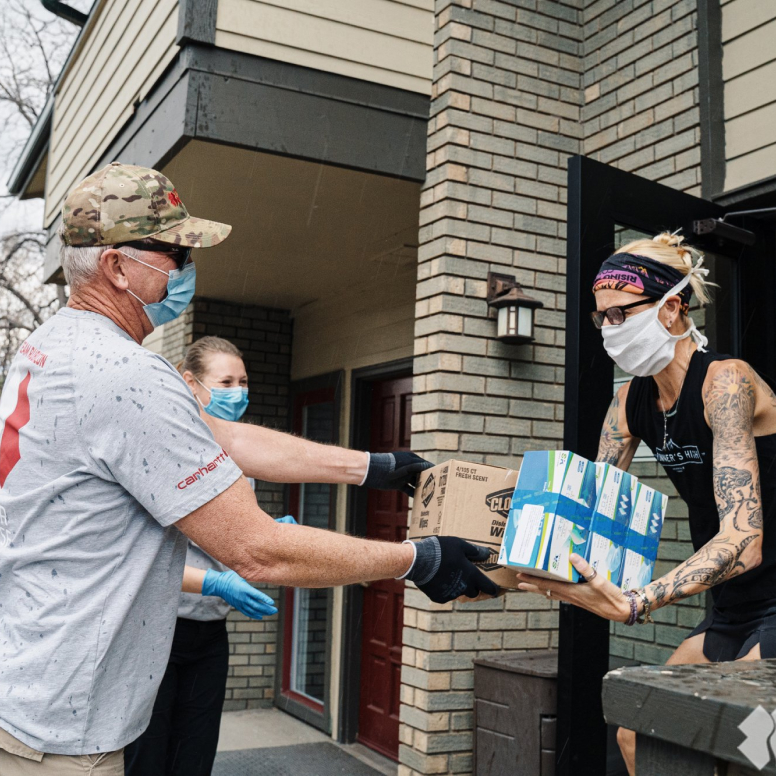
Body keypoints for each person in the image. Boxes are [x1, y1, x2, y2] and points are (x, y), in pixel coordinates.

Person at [0, 162, 498, 775]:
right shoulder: (123, 374)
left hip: (33, 679)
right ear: (115, 266)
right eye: (175, 253)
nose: (186, 269)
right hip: (61, 735)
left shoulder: (57, 347)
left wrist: (373, 466)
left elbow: (224, 436)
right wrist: (417, 559)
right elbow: (258, 551)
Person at [515, 232, 776, 776]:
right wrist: (492, 566)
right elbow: (580, 514)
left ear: (672, 308)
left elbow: (744, 542)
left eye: (621, 315)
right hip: (733, 610)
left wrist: (637, 601)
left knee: (751, 746)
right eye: (602, 319)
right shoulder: (629, 402)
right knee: (639, 731)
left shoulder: (725, 383)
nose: (611, 330)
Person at [123, 336, 291, 776]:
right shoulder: (167, 450)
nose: (239, 391)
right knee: (147, 760)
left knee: (195, 760)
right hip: (157, 631)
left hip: (210, 635)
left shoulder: (236, 464)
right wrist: (216, 581)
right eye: (227, 381)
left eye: (244, 381)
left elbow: (228, 542)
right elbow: (144, 557)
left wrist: (271, 539)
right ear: (191, 383)